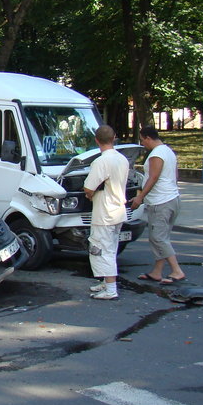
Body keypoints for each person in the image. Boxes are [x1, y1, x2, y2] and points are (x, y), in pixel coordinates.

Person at [130, 126, 186, 284]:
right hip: (172, 198)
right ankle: (157, 272)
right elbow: (175, 175)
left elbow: (153, 178)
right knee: (162, 238)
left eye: (142, 140)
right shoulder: (168, 151)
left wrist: (140, 197)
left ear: (148, 138)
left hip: (160, 202)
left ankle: (177, 271)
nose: (142, 144)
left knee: (158, 238)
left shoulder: (156, 154)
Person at [84, 125, 131, 300]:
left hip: (104, 212)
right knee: (111, 248)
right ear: (114, 138)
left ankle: (110, 289)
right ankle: (106, 282)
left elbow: (89, 187)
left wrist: (89, 194)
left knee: (101, 250)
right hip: (118, 210)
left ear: (96, 140)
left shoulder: (101, 161)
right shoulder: (122, 159)